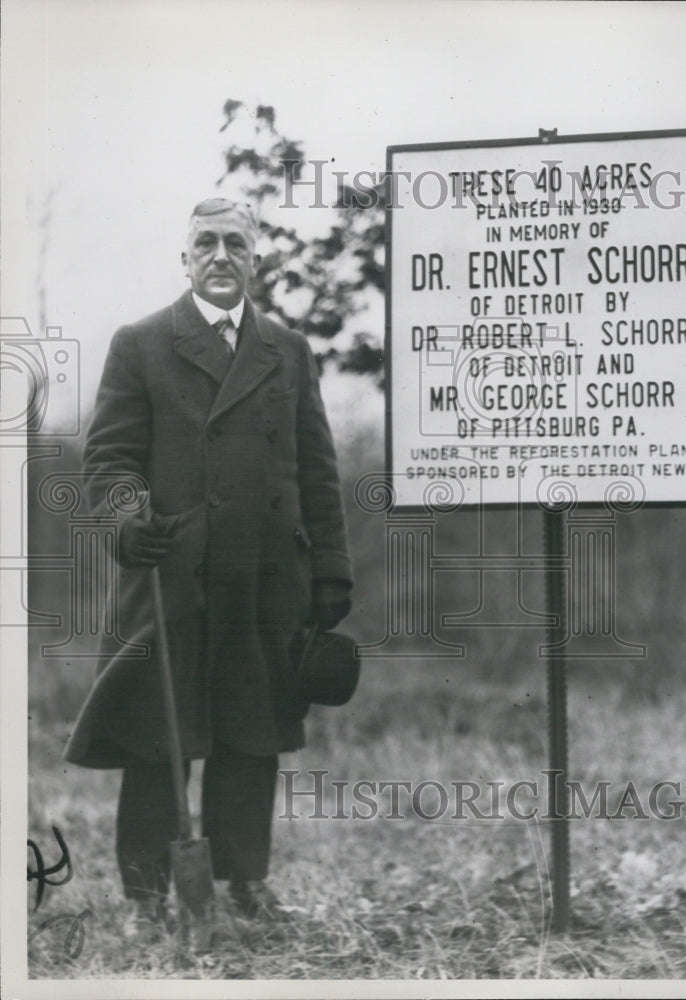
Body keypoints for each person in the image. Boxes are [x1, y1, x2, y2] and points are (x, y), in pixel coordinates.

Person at [64, 198, 353, 922]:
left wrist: (331, 572)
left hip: (265, 582)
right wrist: (128, 520)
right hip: (172, 577)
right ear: (185, 259)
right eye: (205, 244)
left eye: (235, 244)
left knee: (252, 737)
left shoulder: (287, 350)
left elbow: (316, 469)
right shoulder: (142, 343)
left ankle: (244, 886)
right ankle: (147, 898)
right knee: (158, 741)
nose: (220, 256)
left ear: (256, 261)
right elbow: (111, 459)